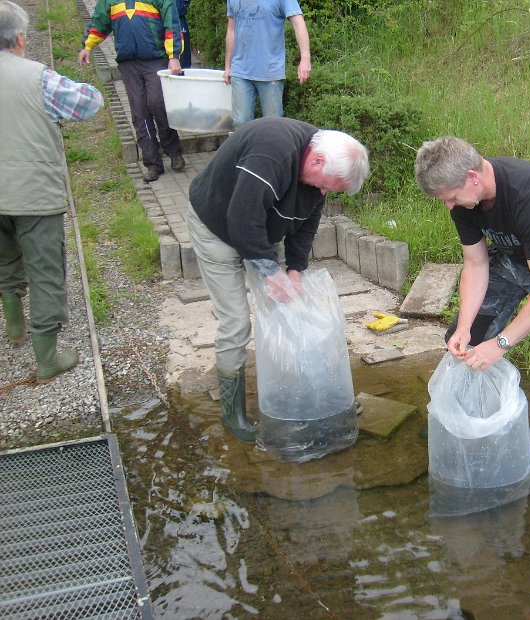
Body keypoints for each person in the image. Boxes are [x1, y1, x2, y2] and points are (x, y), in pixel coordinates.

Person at [415, 136, 530, 480]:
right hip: (512, 261)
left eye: (451, 198)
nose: (449, 207)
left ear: (472, 178)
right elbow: (476, 263)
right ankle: (457, 418)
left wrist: (501, 345)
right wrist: (466, 326)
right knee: (464, 337)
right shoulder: (463, 201)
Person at [187, 117, 369, 443]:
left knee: (291, 307)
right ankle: (234, 415)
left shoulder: (319, 168)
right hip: (216, 226)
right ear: (316, 161)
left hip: (259, 227)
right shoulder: (273, 151)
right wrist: (271, 273)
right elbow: (241, 219)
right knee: (236, 322)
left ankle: (312, 395)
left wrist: (296, 269)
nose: (324, 192)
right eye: (326, 185)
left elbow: (307, 223)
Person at [0, 0, 103, 381]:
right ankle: (46, 358)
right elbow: (89, 103)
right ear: (21, 38)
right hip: (34, 194)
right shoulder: (37, 77)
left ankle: (14, 328)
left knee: (5, 261)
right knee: (45, 272)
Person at [78, 0, 186, 182]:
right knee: (139, 112)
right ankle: (153, 164)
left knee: (157, 104)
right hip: (128, 63)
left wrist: (174, 56)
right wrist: (87, 47)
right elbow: (99, 22)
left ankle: (174, 152)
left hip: (156, 59)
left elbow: (172, 23)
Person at [224, 0, 311, 128]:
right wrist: (228, 66)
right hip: (240, 71)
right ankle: (247, 148)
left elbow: (299, 24)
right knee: (240, 124)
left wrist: (305, 59)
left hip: (270, 72)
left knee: (273, 126)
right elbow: (231, 30)